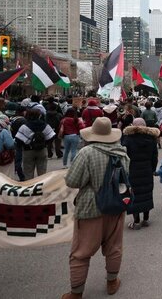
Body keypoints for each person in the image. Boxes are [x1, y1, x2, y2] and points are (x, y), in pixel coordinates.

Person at [62, 117, 129, 299]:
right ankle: (112, 282)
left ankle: (76, 292)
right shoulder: (122, 153)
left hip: (90, 207)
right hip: (116, 204)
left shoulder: (87, 152)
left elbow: (72, 181)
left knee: (81, 252)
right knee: (114, 246)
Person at [122, 118, 159, 231]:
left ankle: (136, 221)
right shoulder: (151, 139)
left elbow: (124, 156)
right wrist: (152, 169)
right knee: (146, 193)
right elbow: (155, 157)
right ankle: (146, 219)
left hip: (133, 169)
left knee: (135, 194)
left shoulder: (128, 139)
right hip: (147, 168)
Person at [15, 108, 56, 180]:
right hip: (42, 150)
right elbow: (51, 137)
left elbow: (18, 140)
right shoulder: (45, 125)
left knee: (28, 173)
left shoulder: (24, 126)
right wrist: (44, 143)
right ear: (39, 115)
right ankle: (41, 188)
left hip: (28, 151)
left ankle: (30, 188)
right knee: (42, 173)